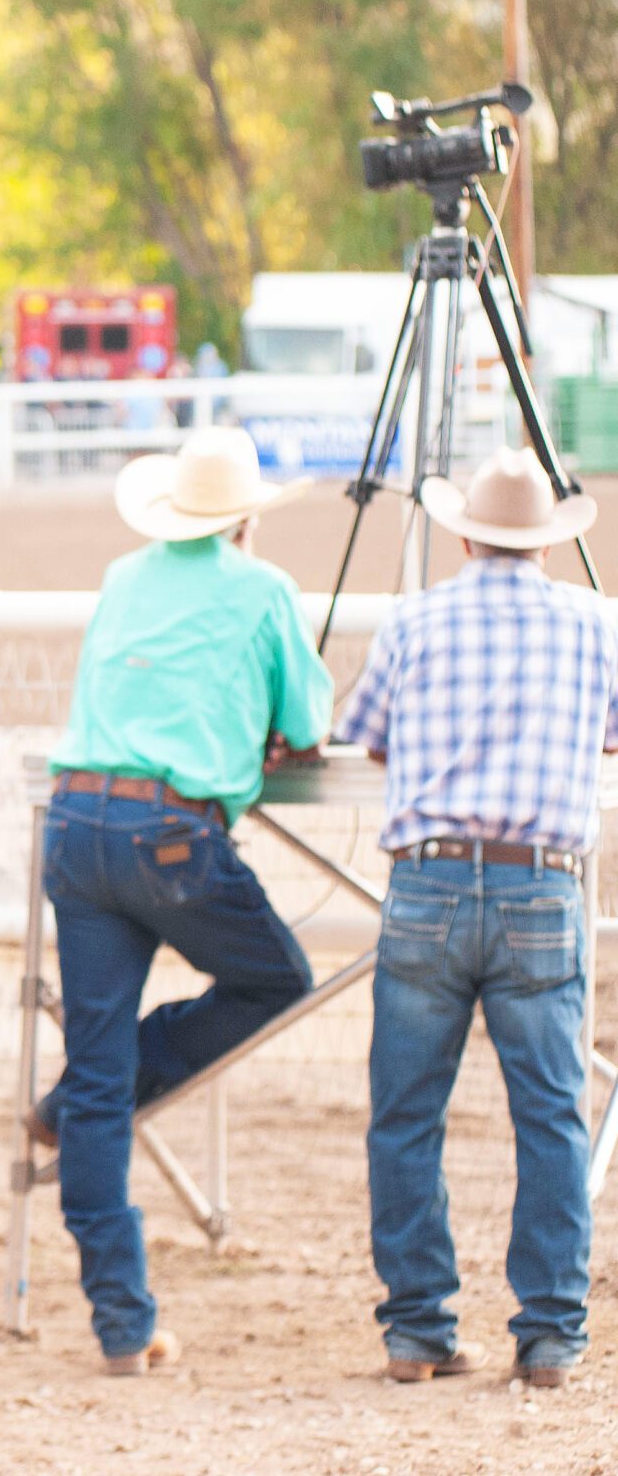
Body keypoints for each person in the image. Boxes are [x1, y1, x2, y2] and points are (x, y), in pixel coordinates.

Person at [30, 426, 330, 1373]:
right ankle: (95, 1087)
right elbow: (306, 725)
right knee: (277, 977)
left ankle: (121, 1320)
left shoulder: (125, 577)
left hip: (77, 820)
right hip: (170, 835)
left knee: (98, 1070)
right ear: (245, 515)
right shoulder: (264, 591)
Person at [331, 446, 614, 1389]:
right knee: (550, 1119)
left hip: (429, 885)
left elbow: (363, 734)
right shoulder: (595, 625)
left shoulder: (414, 620)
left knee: (406, 1115)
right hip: (540, 885)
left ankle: (417, 1329)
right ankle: (550, 1335)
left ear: (463, 533)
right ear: (545, 542)